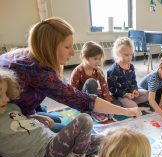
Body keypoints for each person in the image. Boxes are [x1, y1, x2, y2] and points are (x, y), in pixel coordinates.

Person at [0, 17, 140, 124]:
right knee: (66, 130)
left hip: (22, 111)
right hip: (9, 121)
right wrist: (126, 111)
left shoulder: (28, 54)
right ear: (50, 47)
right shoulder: (39, 72)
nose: (73, 53)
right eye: (67, 47)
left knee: (57, 120)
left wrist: (34, 114)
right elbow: (82, 99)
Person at [0, 67, 103, 157]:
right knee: (84, 120)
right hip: (44, 155)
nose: (6, 99)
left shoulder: (10, 107)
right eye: (0, 95)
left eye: (5, 93)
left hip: (55, 141)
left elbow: (22, 120)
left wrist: (36, 117)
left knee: (103, 140)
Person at [70, 41, 114, 122]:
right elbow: (73, 91)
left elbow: (104, 87)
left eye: (99, 59)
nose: (98, 61)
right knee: (91, 82)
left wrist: (109, 104)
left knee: (112, 99)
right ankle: (94, 111)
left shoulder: (98, 70)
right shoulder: (78, 71)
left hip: (93, 96)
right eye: (95, 58)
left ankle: (100, 109)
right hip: (81, 99)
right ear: (85, 57)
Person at [107, 37, 148, 108]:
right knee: (134, 106)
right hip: (120, 95)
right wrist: (125, 94)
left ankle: (129, 103)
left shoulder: (131, 66)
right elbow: (112, 89)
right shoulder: (113, 70)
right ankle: (127, 103)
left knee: (147, 94)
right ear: (117, 54)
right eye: (126, 55)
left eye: (131, 54)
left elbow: (134, 81)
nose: (129, 57)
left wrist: (134, 91)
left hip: (130, 93)